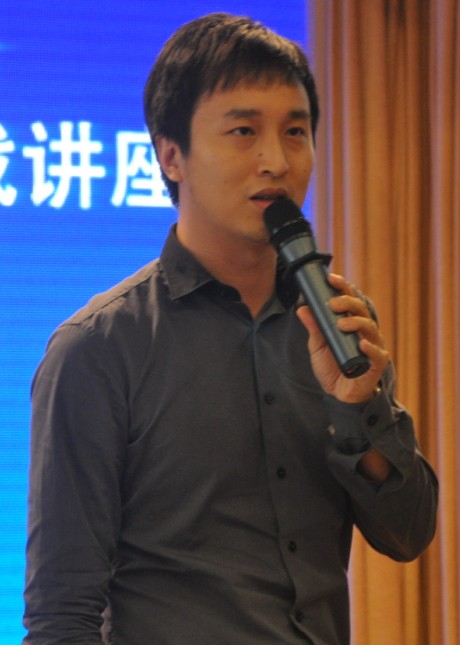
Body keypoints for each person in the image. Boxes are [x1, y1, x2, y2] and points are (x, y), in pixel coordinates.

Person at [23, 12, 438, 645]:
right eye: (243, 131)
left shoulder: (339, 324)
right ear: (171, 156)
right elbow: (62, 617)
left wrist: (359, 409)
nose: (276, 160)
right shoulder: (99, 349)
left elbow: (407, 534)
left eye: (295, 131)